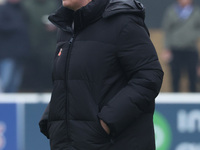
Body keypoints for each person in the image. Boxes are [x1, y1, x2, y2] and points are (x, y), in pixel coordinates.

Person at [39, 0, 163, 150]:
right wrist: (52, 120)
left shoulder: (123, 22)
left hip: (111, 142)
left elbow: (149, 76)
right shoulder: (67, 27)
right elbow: (69, 82)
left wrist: (106, 123)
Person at [162, 0, 200, 92]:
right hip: (175, 49)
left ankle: (193, 100)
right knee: (175, 76)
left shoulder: (196, 12)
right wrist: (166, 49)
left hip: (190, 49)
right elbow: (167, 30)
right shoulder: (171, 11)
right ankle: (175, 100)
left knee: (193, 76)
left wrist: (192, 36)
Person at [22, 0, 57, 92]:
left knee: (50, 70)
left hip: (49, 46)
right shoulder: (26, 5)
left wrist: (56, 26)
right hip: (30, 44)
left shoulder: (53, 4)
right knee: (32, 72)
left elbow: (61, 20)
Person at [0, 0, 30, 92]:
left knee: (15, 84)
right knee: (5, 82)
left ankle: (10, 106)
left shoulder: (22, 9)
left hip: (20, 53)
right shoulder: (3, 9)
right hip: (7, 53)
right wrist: (17, 27)